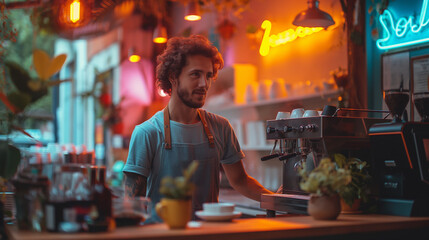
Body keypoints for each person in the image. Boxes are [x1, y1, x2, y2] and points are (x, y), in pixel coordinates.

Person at [123, 35, 273, 221]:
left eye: (209, 76)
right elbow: (132, 202)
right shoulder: (147, 133)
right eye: (195, 74)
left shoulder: (221, 127)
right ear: (173, 77)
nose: (204, 84)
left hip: (208, 233)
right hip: (163, 234)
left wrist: (276, 200)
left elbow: (241, 181)